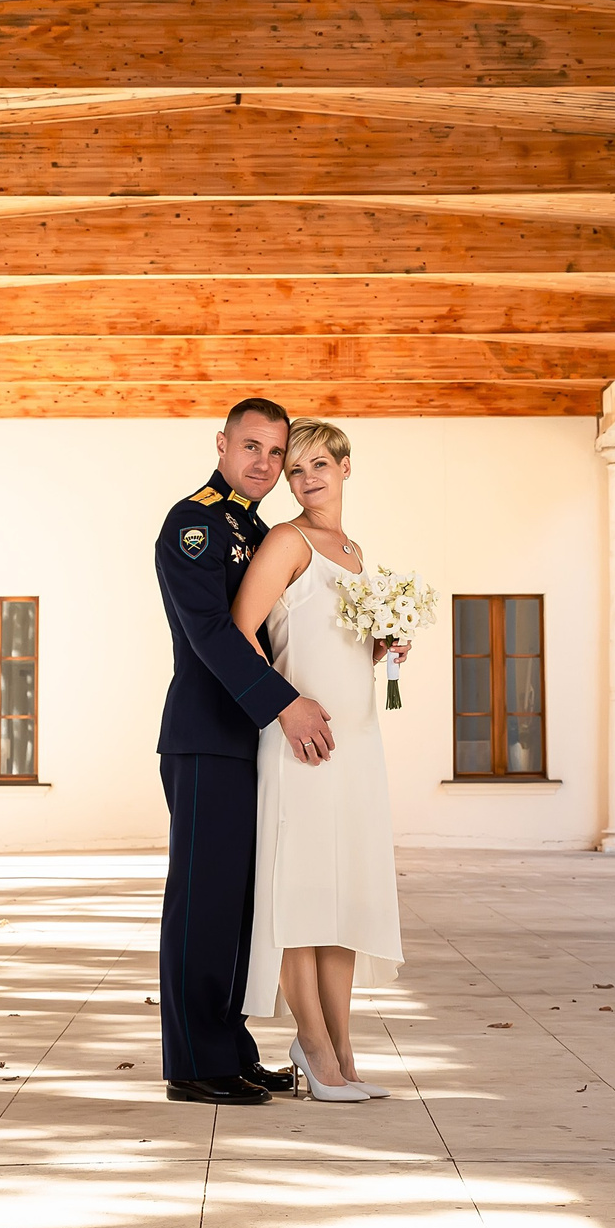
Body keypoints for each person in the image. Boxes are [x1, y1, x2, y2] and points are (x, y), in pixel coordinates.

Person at [152, 397, 340, 1106]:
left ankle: (229, 1050)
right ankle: (195, 1063)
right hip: (207, 736)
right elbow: (210, 630)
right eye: (251, 446)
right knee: (203, 901)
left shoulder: (257, 530)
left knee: (237, 906)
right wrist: (284, 704)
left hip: (250, 739)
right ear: (223, 444)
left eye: (275, 451)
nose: (264, 462)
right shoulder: (194, 523)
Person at [231, 417, 404, 1103]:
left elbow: (342, 646)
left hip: (356, 743)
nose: (305, 480)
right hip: (301, 745)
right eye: (294, 470)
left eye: (318, 466)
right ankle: (313, 1046)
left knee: (343, 896)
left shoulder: (355, 551)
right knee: (301, 893)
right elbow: (241, 629)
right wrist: (284, 705)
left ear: (345, 467)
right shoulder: (285, 540)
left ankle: (343, 1052)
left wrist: (385, 648)